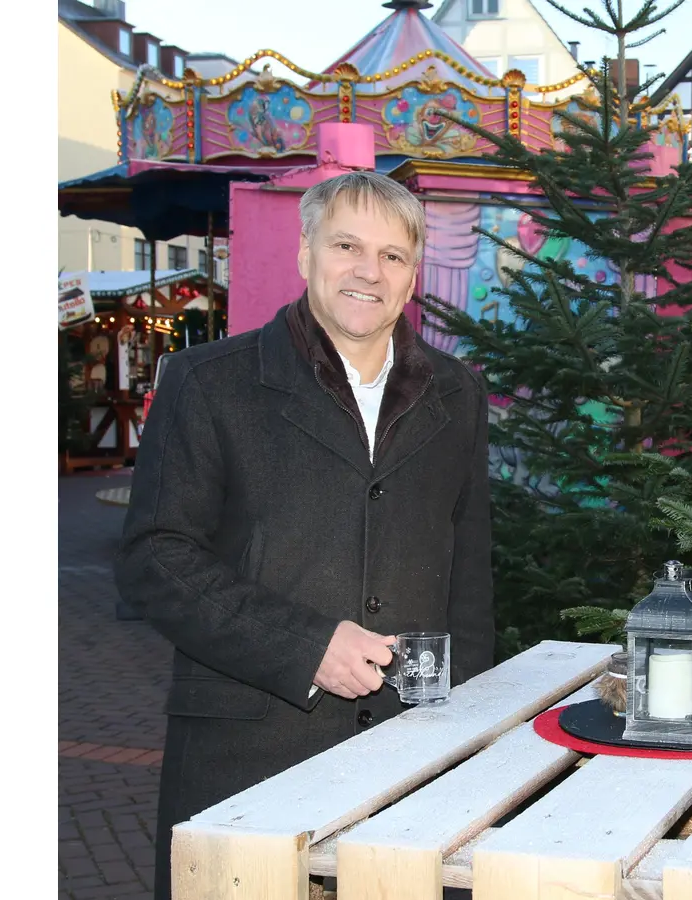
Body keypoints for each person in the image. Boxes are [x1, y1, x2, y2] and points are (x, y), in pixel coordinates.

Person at [115, 171, 495, 900]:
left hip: (409, 769)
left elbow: (467, 576)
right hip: (249, 762)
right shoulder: (207, 382)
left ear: (413, 274)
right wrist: (304, 645)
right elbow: (153, 560)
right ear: (305, 253)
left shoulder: (458, 392)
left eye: (392, 255)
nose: (368, 271)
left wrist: (465, 735)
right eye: (346, 244)